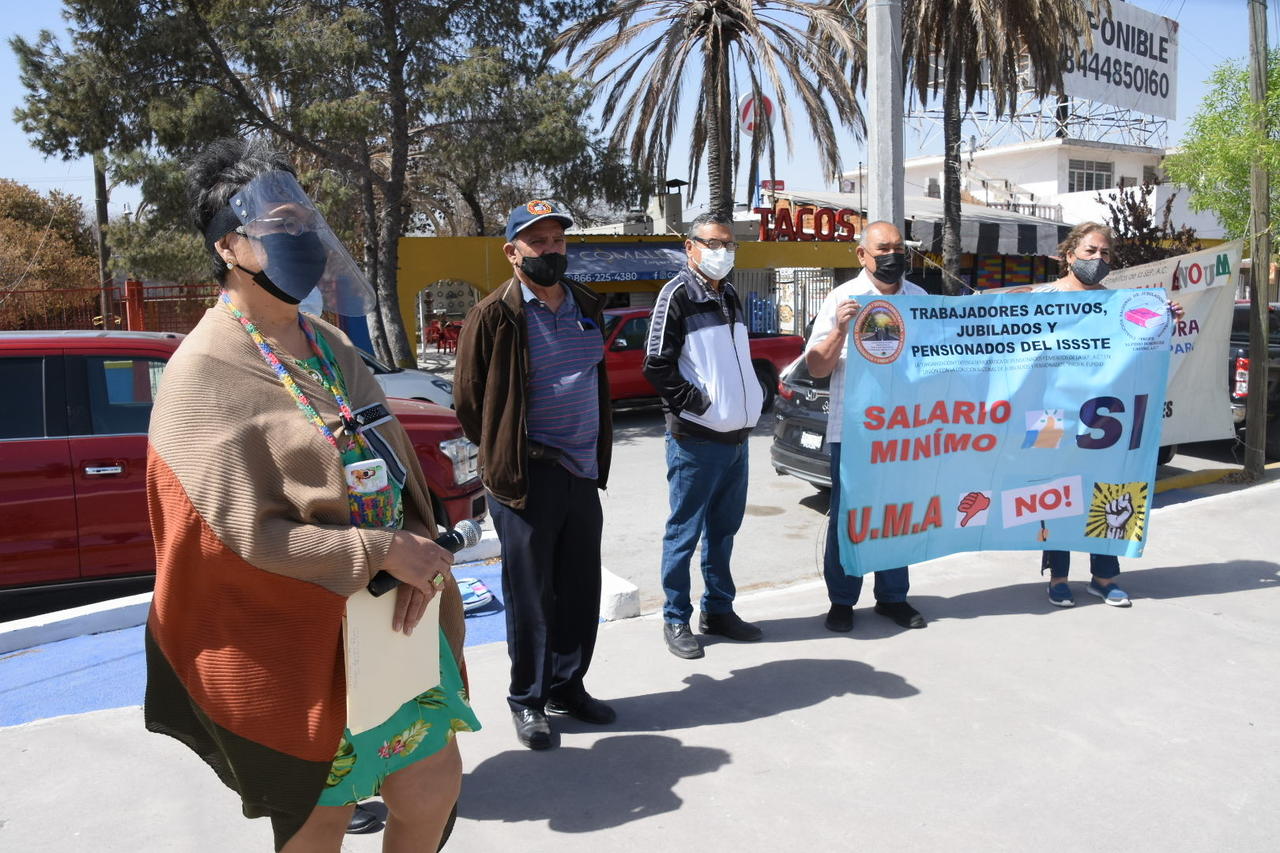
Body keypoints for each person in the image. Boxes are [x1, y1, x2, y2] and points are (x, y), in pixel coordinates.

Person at [144, 138, 478, 851]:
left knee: (431, 785)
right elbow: (226, 541)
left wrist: (421, 551)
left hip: (394, 617)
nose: (305, 240)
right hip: (300, 637)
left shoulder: (326, 341)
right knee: (317, 819)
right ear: (231, 245)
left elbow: (389, 464)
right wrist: (378, 550)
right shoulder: (201, 370)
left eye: (307, 223)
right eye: (282, 226)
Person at [454, 200, 615, 750]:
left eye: (558, 241)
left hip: (581, 472)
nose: (550, 251)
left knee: (578, 589)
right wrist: (507, 452)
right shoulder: (492, 315)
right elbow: (470, 403)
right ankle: (528, 699)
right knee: (530, 595)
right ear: (512, 251)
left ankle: (568, 685)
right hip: (527, 477)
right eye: (538, 242)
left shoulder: (587, 305)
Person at [643, 211, 765, 660]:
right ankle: (676, 618)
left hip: (736, 439)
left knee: (724, 530)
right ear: (689, 247)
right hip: (696, 440)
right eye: (712, 243)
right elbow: (656, 364)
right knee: (685, 531)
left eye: (728, 244)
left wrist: (745, 402)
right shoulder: (675, 295)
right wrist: (700, 407)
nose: (722, 252)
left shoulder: (730, 293)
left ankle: (719, 610)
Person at [805, 220, 928, 633]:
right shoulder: (842, 298)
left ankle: (893, 596)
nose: (893, 256)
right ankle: (842, 600)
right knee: (849, 518)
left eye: (899, 248)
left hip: (903, 430)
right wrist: (840, 329)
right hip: (854, 432)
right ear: (862, 255)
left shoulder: (919, 298)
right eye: (883, 249)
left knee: (897, 514)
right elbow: (817, 366)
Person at [1033, 222, 1134, 608]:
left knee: (1107, 489)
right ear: (1069, 254)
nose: (1098, 259)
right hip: (1048, 415)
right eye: (1090, 251)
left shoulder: (1118, 305)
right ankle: (1058, 577)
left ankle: (1104, 577)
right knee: (1054, 492)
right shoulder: (1042, 298)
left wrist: (1163, 318)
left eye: (1105, 253)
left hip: (1101, 416)